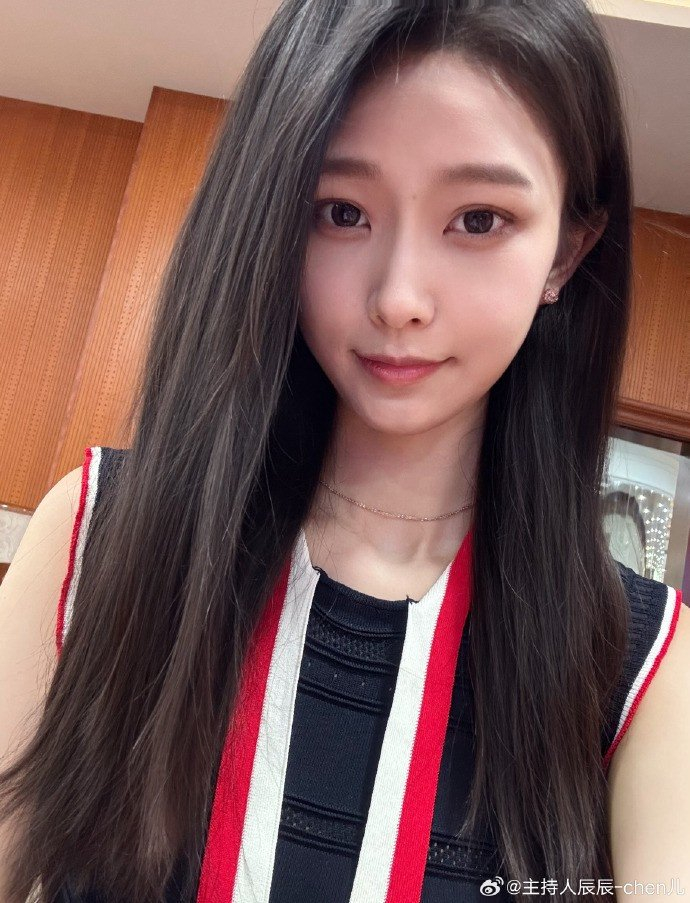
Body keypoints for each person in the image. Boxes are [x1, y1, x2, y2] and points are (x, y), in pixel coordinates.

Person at [1, 1, 688, 901]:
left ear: (565, 252)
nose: (399, 297)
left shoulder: (644, 666)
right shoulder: (96, 534)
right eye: (341, 211)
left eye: (480, 219)